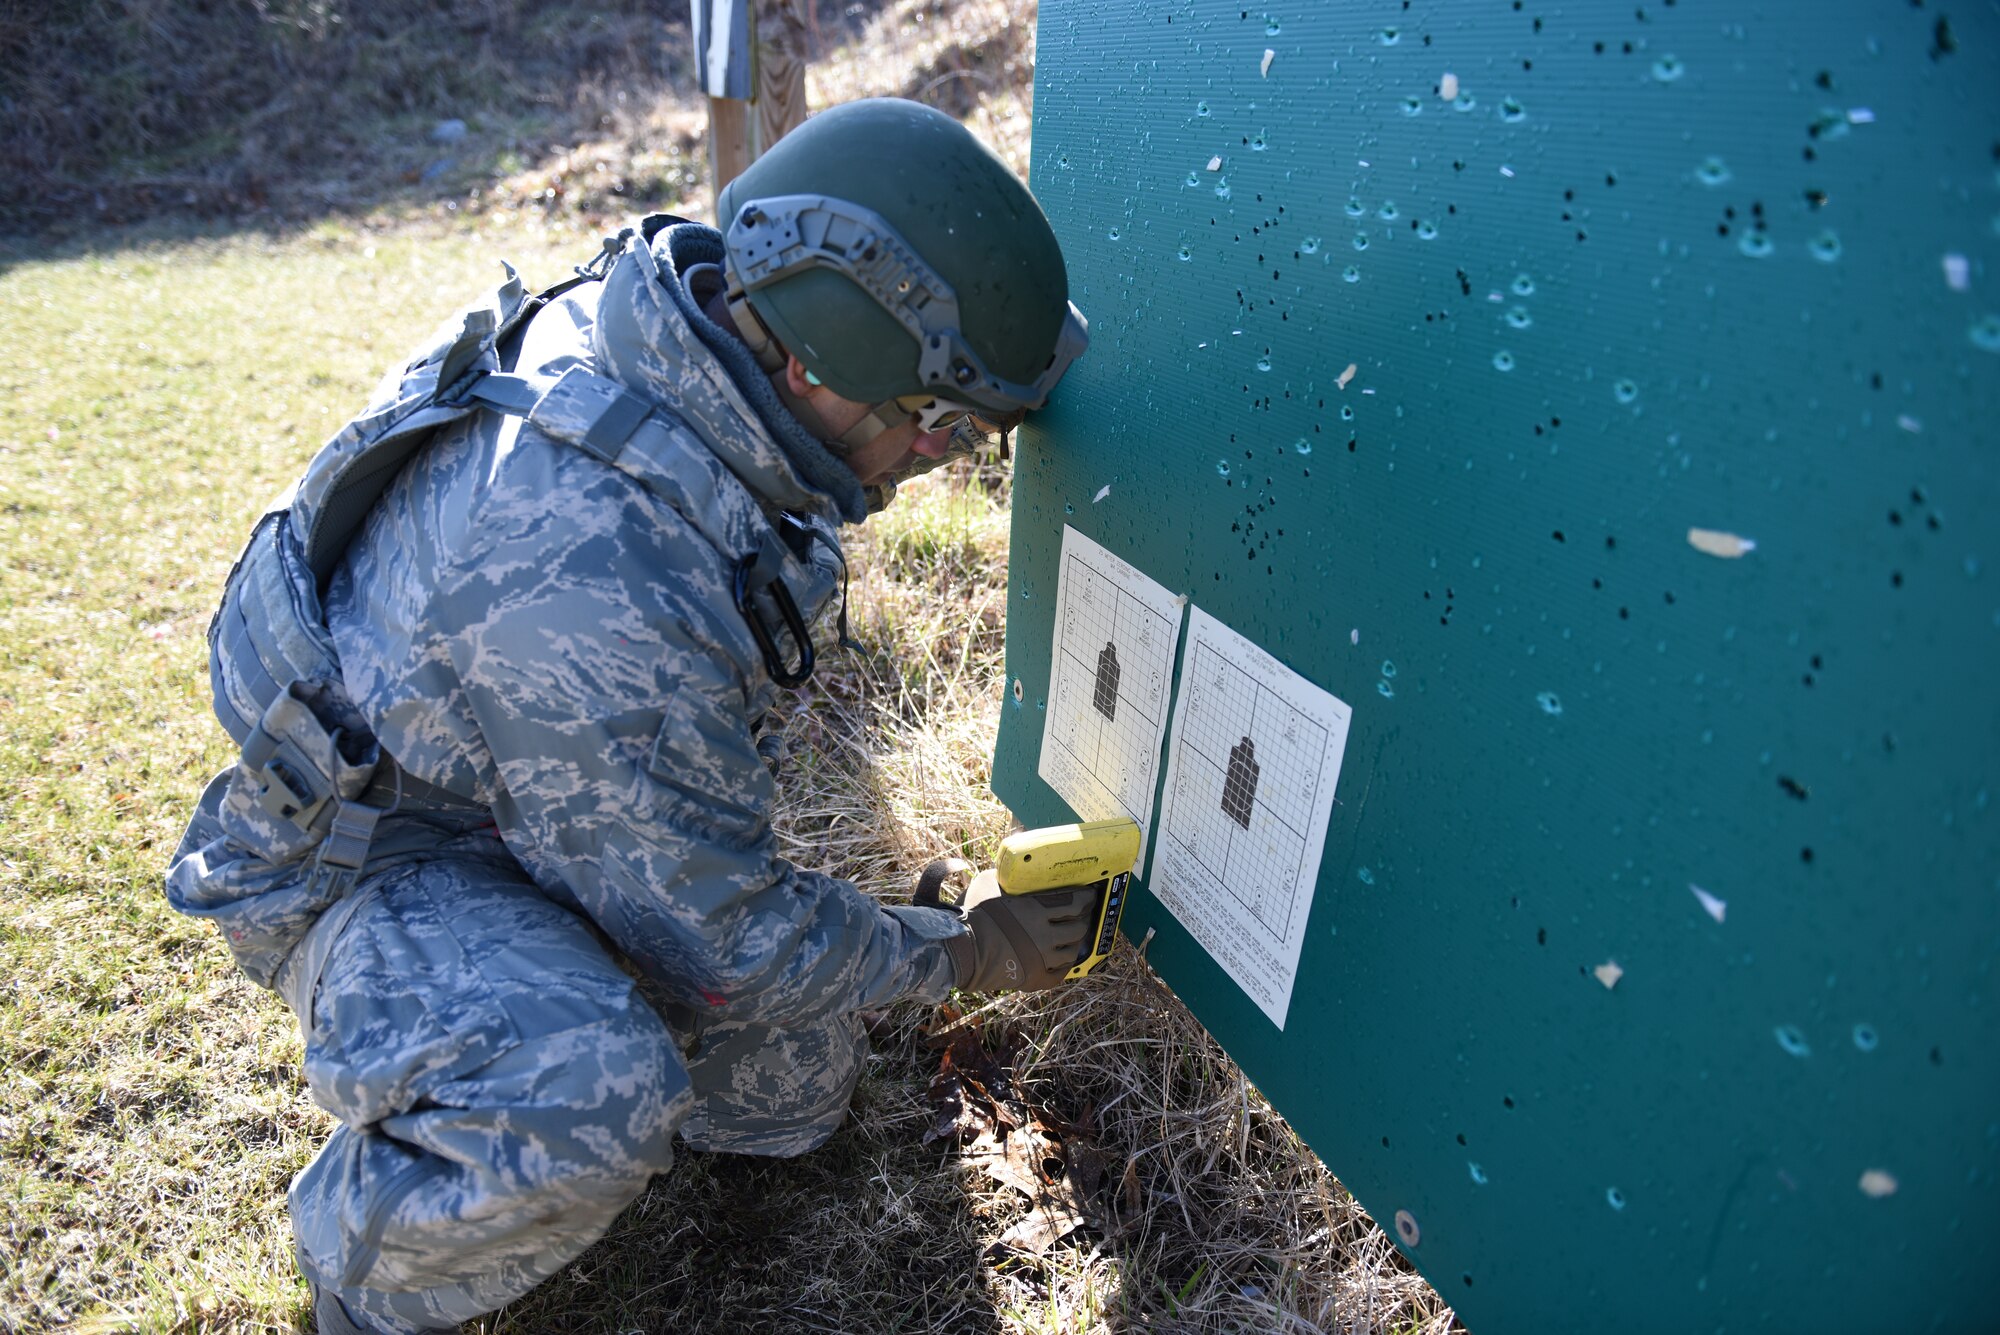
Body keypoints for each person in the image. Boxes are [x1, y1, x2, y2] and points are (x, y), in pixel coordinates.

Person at [165, 98, 1091, 1335]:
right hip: (369, 854)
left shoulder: (676, 327)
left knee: (788, 1088)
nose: (935, 456)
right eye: (933, 425)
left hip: (488, 771)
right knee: (584, 1091)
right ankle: (369, 1274)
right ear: (812, 369)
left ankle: (567, 982)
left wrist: (870, 952)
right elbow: (730, 937)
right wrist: (965, 951)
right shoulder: (604, 572)